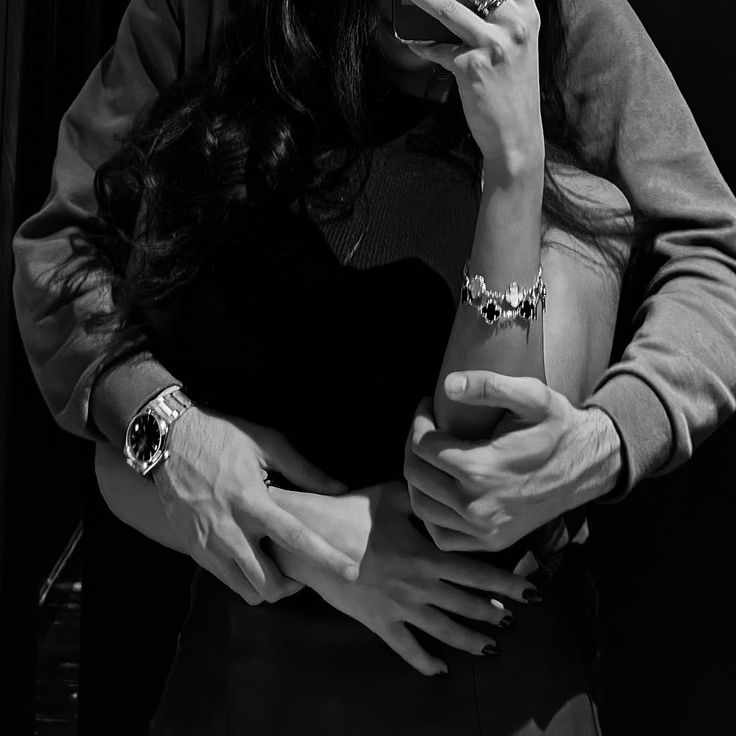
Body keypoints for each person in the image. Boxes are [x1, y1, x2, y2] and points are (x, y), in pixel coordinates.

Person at [11, 0, 736, 733]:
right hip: (234, 664)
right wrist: (174, 435)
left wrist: (608, 438)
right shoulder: (224, 102)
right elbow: (70, 270)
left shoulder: (561, 111)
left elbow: (474, 487)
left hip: (467, 686)